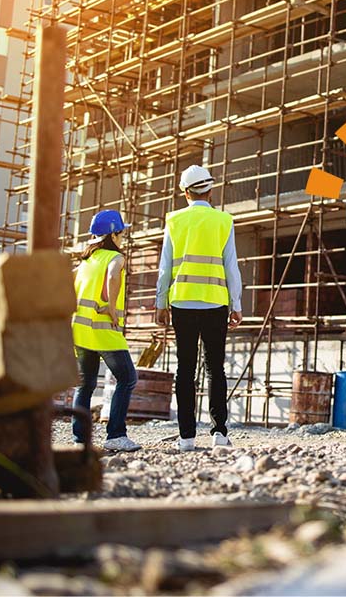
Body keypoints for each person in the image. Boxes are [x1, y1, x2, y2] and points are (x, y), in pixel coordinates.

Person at [156, 164, 243, 452]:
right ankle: (219, 432)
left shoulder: (175, 221)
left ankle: (186, 437)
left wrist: (160, 302)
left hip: (181, 302)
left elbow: (165, 266)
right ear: (211, 189)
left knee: (185, 369)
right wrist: (237, 303)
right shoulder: (223, 221)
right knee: (215, 368)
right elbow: (231, 266)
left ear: (185, 192)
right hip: (216, 302)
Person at [70, 209, 140, 452]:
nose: (123, 237)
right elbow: (112, 277)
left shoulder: (86, 260)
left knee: (85, 384)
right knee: (128, 378)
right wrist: (111, 308)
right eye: (121, 232)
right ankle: (116, 435)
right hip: (103, 331)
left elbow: (68, 282)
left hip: (80, 331)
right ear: (114, 233)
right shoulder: (115, 258)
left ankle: (79, 440)